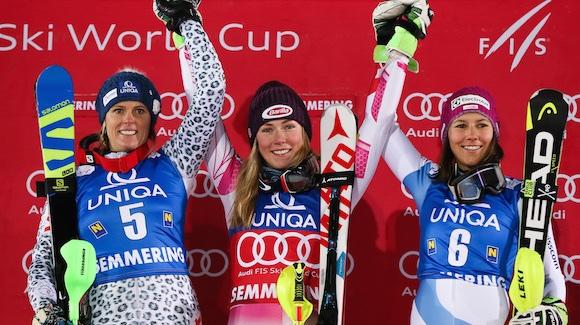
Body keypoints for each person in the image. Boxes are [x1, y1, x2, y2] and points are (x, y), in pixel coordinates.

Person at [169, 11, 398, 325]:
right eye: (267, 129)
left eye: (289, 126)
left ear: (305, 132)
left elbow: (378, 122)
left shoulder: (333, 189)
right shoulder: (236, 186)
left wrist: (396, 49)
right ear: (254, 139)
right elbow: (202, 105)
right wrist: (185, 29)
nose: (280, 139)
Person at [369, 1, 568, 324]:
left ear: (496, 132)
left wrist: (555, 309)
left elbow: (551, 275)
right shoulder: (427, 180)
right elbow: (382, 124)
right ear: (446, 135)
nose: (471, 135)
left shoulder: (519, 195)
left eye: (482, 124)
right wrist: (394, 55)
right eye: (460, 125)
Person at [27, 1, 225, 324]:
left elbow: (211, 92)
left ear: (152, 119)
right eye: (118, 110)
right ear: (104, 122)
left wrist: (185, 20)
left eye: (140, 110)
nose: (129, 120)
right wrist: (49, 311)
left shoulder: (175, 161)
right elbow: (43, 261)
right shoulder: (74, 179)